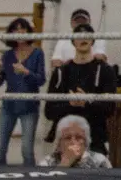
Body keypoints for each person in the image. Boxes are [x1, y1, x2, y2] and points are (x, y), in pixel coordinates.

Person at [43, 24, 117, 154]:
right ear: (72, 41)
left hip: (95, 139)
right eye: (79, 36)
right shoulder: (60, 72)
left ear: (92, 40)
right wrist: (70, 104)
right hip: (65, 140)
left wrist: (86, 102)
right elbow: (49, 112)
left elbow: (110, 109)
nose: (83, 39)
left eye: (87, 36)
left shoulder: (106, 70)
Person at [0, 17, 45, 165]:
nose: (19, 32)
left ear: (28, 32)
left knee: (26, 150)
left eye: (23, 29)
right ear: (11, 33)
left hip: (29, 106)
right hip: (9, 105)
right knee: (0, 149)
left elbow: (41, 80)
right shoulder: (7, 55)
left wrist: (26, 72)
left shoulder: (37, 53)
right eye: (16, 29)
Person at [40, 115, 111, 169]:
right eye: (67, 138)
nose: (73, 142)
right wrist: (65, 163)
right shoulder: (47, 163)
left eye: (79, 137)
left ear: (86, 142)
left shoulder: (99, 161)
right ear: (59, 143)